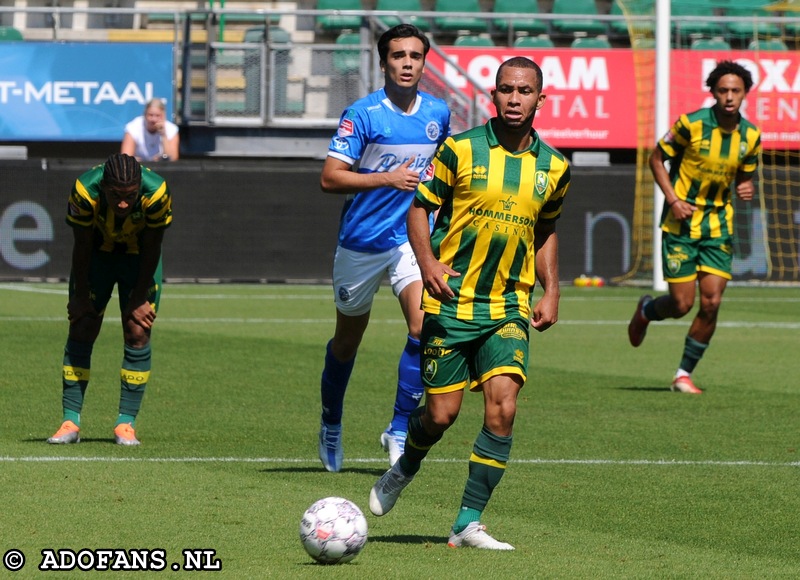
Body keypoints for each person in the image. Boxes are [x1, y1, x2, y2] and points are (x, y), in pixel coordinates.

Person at [369, 57, 571, 550]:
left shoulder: (556, 168)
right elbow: (419, 208)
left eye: (525, 91)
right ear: (493, 96)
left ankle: (467, 521)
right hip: (453, 301)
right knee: (440, 416)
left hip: (507, 306)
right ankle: (404, 467)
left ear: (540, 99)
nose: (515, 98)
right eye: (506, 89)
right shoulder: (459, 149)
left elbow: (545, 230)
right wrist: (428, 265)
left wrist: (551, 288)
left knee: (503, 408)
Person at [317, 24, 451, 473]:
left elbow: (444, 175)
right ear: (384, 63)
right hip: (361, 242)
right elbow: (330, 177)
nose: (407, 63)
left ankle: (396, 429)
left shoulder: (439, 113)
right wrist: (386, 177)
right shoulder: (363, 114)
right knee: (346, 343)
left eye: (415, 55)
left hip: (411, 241)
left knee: (423, 327)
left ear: (424, 61)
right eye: (398, 56)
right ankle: (331, 422)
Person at [627, 60, 761, 394]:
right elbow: (656, 158)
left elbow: (744, 177)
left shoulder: (752, 136)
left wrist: (747, 186)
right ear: (713, 92)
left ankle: (683, 374)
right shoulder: (691, 125)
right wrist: (673, 198)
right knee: (681, 304)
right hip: (681, 223)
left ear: (745, 93)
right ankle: (646, 310)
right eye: (723, 90)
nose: (729, 97)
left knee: (712, 303)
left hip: (718, 225)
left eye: (736, 91)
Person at [47, 153, 173, 446]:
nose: (123, 204)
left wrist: (139, 297)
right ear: (104, 188)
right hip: (97, 257)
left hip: (138, 259)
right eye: (116, 196)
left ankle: (125, 424)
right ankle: (70, 422)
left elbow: (154, 245)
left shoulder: (156, 192)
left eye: (129, 196)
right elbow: (82, 243)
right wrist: (79, 295)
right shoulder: (84, 190)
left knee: (138, 330)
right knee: (82, 325)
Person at [121, 98, 180, 162]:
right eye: (150, 115)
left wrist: (163, 134)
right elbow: (125, 157)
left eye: (158, 116)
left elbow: (173, 158)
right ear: (145, 114)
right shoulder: (133, 127)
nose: (153, 119)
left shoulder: (172, 130)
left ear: (164, 116)